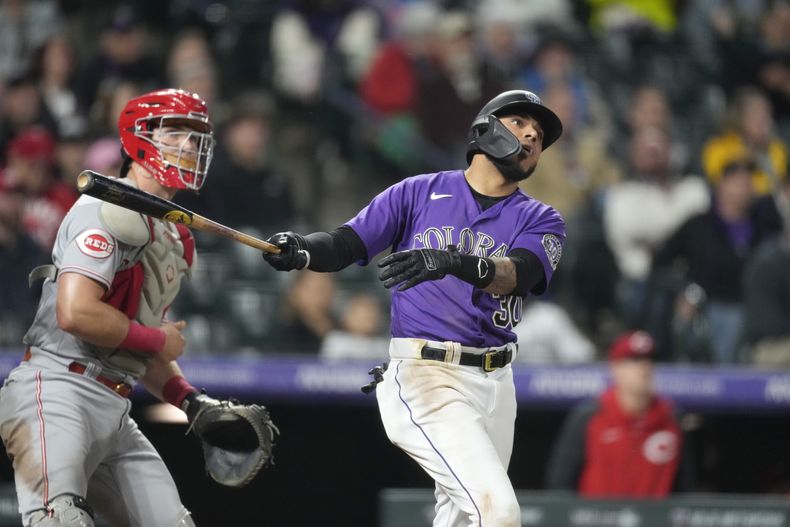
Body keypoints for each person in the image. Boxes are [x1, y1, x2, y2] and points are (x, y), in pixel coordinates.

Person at [262, 89, 566, 526]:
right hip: (429, 376)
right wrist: (302, 250)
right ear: (486, 128)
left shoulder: (541, 218)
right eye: (520, 123)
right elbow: (346, 243)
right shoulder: (419, 192)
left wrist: (448, 260)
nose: (533, 135)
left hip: (498, 381)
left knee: (461, 518)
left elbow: (518, 274)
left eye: (539, 134)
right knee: (497, 511)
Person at [0, 89, 239, 527]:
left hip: (115, 403)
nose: (188, 145)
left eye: (195, 135)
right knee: (60, 520)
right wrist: (157, 339)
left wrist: (190, 400)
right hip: (57, 387)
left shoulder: (174, 238)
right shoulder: (107, 207)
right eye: (176, 132)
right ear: (141, 136)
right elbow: (77, 312)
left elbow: (132, 340)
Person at [545, 330, 693, 497]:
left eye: (650, 359)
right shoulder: (590, 415)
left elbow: (684, 489)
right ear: (615, 368)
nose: (644, 367)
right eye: (634, 360)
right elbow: (560, 482)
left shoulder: (670, 419)